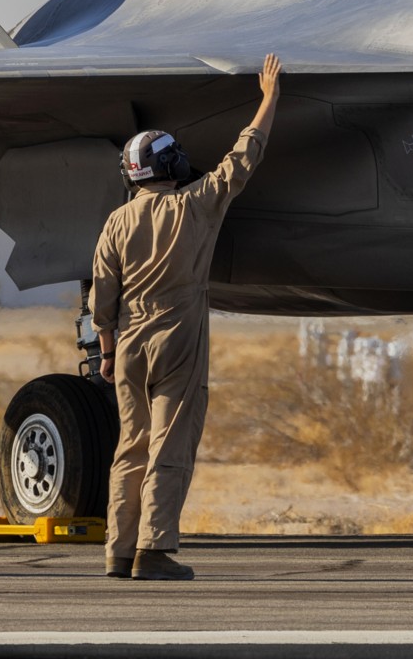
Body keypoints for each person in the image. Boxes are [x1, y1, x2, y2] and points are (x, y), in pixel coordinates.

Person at [88, 54, 281, 581]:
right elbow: (242, 158)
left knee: (130, 449)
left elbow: (101, 298)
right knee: (168, 446)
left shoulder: (116, 222)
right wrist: (269, 99)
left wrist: (106, 354)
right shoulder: (196, 206)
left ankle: (118, 552)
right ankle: (153, 551)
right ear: (171, 166)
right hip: (178, 341)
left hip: (128, 346)